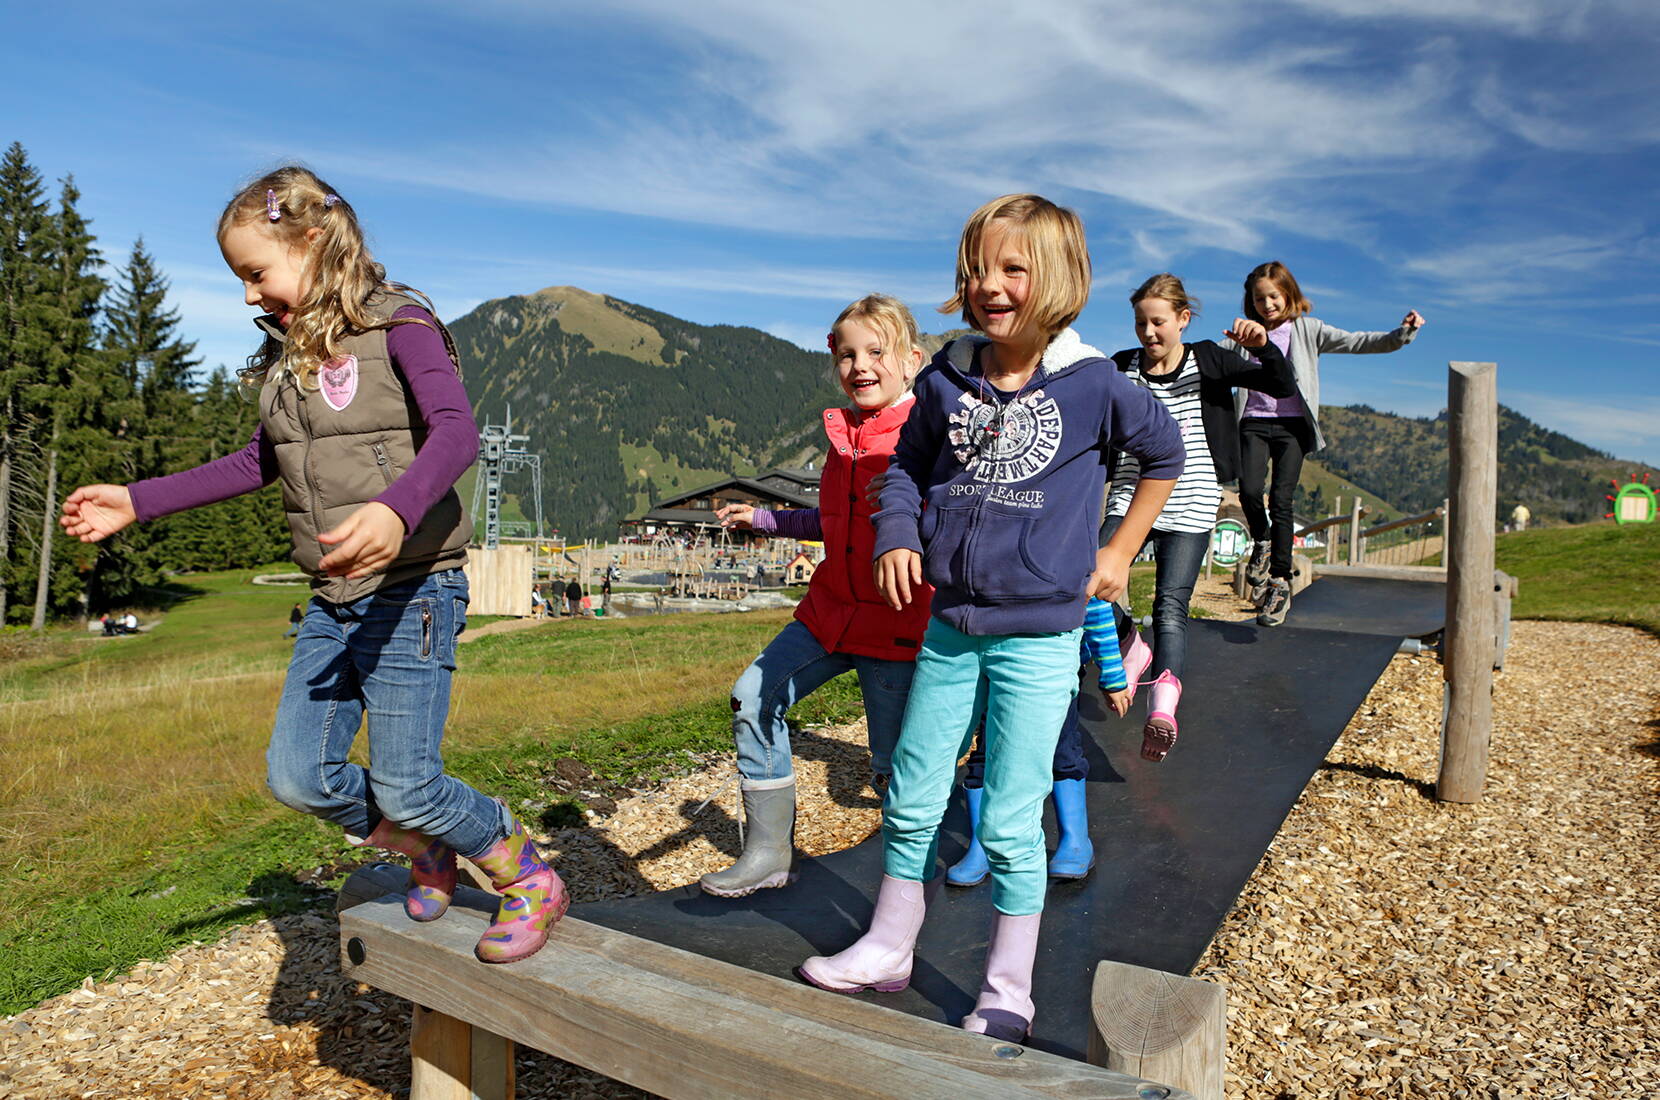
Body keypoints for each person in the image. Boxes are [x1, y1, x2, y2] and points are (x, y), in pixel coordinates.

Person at [58, 166, 566, 964]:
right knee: (300, 776)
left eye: (256, 273)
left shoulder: (403, 325)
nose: (250, 295)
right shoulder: (287, 358)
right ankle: (424, 847)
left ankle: (524, 870)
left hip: (413, 590)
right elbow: (255, 462)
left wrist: (396, 509)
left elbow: (457, 434)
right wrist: (137, 499)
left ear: (314, 242)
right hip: (332, 598)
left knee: (410, 785)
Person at [798, 195, 1182, 1043]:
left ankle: (1009, 989)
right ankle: (889, 947)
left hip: (1040, 635)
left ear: (1059, 280)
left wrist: (1118, 555)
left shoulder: (1094, 384)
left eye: (1012, 269)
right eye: (977, 269)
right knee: (913, 787)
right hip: (950, 626)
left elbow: (1165, 454)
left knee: (1011, 812)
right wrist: (897, 532)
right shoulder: (945, 377)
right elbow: (904, 471)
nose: (989, 285)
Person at [699, 294, 932, 898]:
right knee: (752, 697)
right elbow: (832, 520)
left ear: (912, 359)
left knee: (892, 768)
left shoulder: (929, 434)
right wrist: (767, 521)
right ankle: (769, 852)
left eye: (876, 352)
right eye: (847, 355)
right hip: (829, 613)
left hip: (898, 621)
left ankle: (911, 884)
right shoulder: (843, 437)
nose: (860, 366)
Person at [1104, 273, 1293, 758]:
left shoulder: (1208, 359)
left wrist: (1264, 346)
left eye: (1159, 322)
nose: (1148, 333)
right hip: (1129, 497)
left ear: (1183, 320)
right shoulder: (1122, 367)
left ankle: (1162, 709)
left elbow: (1278, 382)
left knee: (1171, 607)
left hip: (1191, 500)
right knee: (1088, 576)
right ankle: (1130, 642)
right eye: (1141, 323)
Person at [1225, 261, 1425, 626]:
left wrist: (1402, 334)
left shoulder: (1307, 329)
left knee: (1282, 500)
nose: (1267, 304)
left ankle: (1279, 582)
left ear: (1289, 294)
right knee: (1250, 492)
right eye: (1258, 298)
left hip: (1292, 427)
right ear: (1249, 301)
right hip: (1253, 422)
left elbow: (1357, 342)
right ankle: (1263, 542)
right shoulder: (1244, 335)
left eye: (1273, 296)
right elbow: (1207, 357)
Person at [946, 595, 1135, 886]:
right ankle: (982, 844)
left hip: (1054, 666)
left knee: (1062, 750)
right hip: (993, 661)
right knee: (986, 751)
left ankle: (1075, 840)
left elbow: (1096, 606)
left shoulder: (1069, 552)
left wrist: (1112, 675)